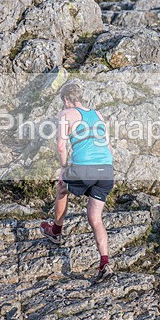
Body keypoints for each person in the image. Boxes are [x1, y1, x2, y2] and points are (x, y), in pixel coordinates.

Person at [40, 82, 115, 283]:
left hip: (84, 168)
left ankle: (55, 232)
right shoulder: (98, 114)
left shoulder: (65, 114)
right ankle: (104, 263)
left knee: (62, 187)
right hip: (106, 170)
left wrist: (64, 168)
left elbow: (61, 146)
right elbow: (108, 145)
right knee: (95, 218)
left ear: (66, 99)